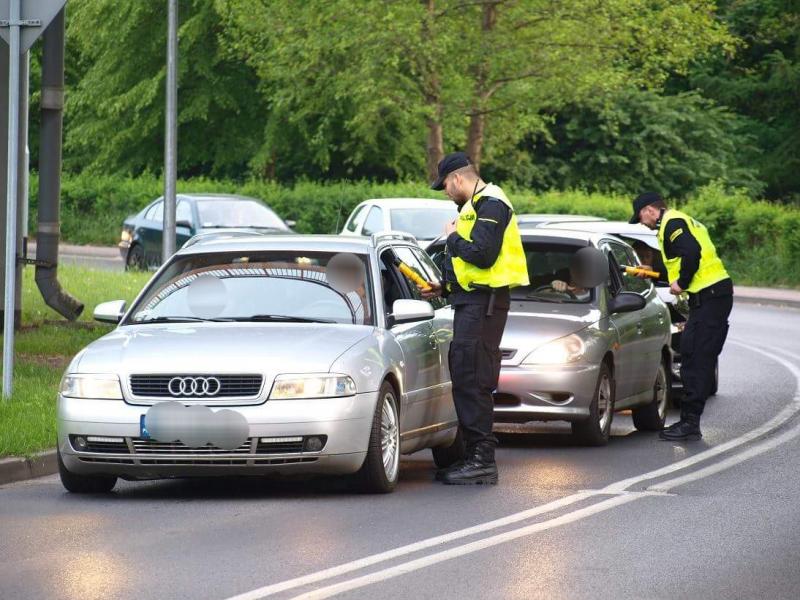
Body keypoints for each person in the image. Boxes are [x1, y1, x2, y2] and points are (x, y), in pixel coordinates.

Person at [420, 151, 529, 484]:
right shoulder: (476, 206)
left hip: (485, 305)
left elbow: (482, 255)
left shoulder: (491, 204)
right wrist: (445, 287)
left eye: (445, 186)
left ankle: (482, 460)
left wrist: (452, 237)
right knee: (467, 375)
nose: (446, 193)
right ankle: (473, 456)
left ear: (457, 178)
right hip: (474, 301)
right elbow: (475, 268)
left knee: (474, 377)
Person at [630, 191, 733, 441]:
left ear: (649, 210)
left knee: (697, 358)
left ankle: (690, 423)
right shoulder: (676, 221)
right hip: (711, 296)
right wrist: (653, 271)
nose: (642, 222)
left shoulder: (672, 223)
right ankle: (689, 422)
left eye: (640, 217)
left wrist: (683, 282)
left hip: (710, 296)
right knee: (691, 354)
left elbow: (692, 253)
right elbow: (680, 263)